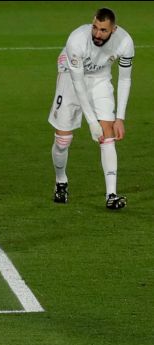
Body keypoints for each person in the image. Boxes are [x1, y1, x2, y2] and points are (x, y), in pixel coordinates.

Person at [49, 7, 134, 210]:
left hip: (100, 79)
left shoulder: (125, 42)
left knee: (108, 133)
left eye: (103, 30)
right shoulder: (76, 40)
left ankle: (111, 195)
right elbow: (78, 84)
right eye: (95, 27)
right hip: (71, 76)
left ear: (113, 29)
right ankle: (61, 181)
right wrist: (91, 122)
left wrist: (120, 118)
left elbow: (125, 79)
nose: (97, 34)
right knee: (62, 140)